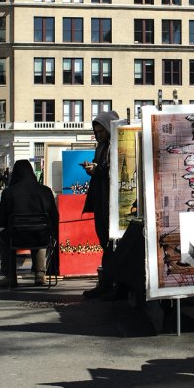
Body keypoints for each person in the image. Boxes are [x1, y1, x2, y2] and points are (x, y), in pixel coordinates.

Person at [0, 159, 59, 287]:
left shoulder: (9, 192)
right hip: (41, 237)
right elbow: (54, 217)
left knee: (3, 236)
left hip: (16, 237)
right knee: (41, 231)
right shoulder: (45, 191)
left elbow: (0, 221)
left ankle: (10, 276)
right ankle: (40, 274)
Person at [82, 111, 119, 299]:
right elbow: (100, 169)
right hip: (100, 198)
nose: (99, 135)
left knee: (112, 243)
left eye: (102, 132)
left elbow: (117, 169)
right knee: (104, 241)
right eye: (97, 132)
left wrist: (98, 168)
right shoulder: (101, 147)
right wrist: (92, 169)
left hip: (112, 201)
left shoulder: (117, 144)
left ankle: (112, 284)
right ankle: (106, 282)